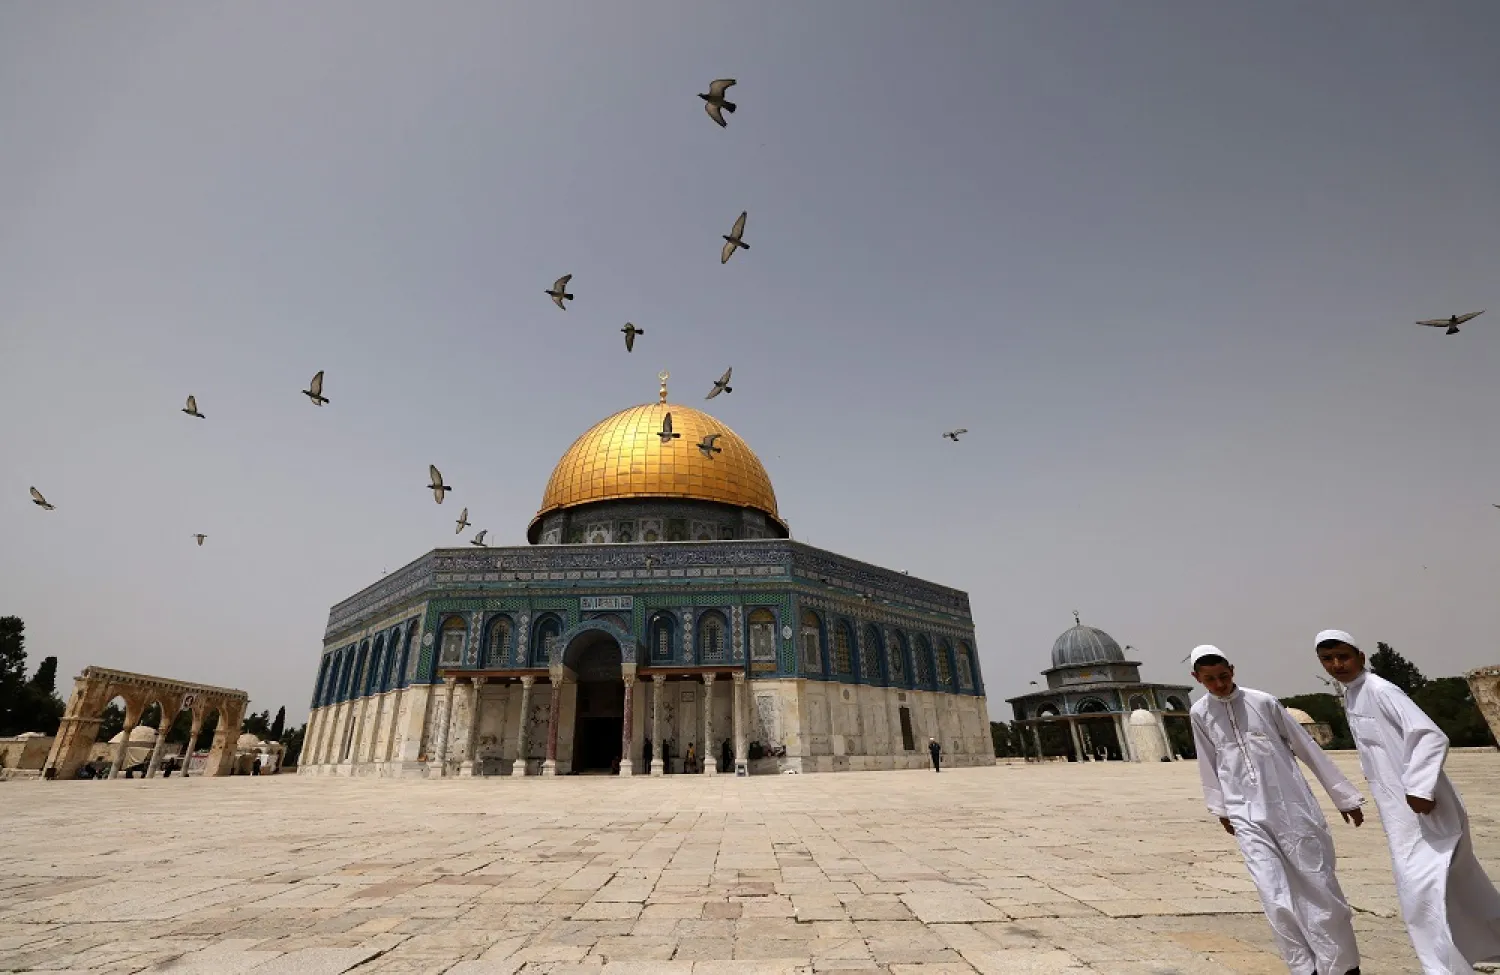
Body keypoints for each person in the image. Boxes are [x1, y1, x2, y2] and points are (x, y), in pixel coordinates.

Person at [1316, 629, 1500, 973]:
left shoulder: (1381, 690)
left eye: (1344, 656)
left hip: (1425, 809)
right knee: (1459, 888)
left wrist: (1419, 789)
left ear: (1360, 656)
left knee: (1419, 895)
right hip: (1400, 814)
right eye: (1328, 659)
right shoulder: (1354, 695)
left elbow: (1429, 735)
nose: (1337, 665)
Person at [1189, 645, 1365, 975]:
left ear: (1233, 669)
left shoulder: (1263, 702)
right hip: (1245, 812)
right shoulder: (1200, 713)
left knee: (1318, 884)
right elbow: (1208, 761)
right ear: (1197, 679)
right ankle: (1303, 968)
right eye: (1210, 680)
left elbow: (1305, 747)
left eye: (1223, 676)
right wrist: (1221, 808)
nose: (1219, 685)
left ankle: (1341, 966)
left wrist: (1344, 796)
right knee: (1273, 892)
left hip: (1291, 806)